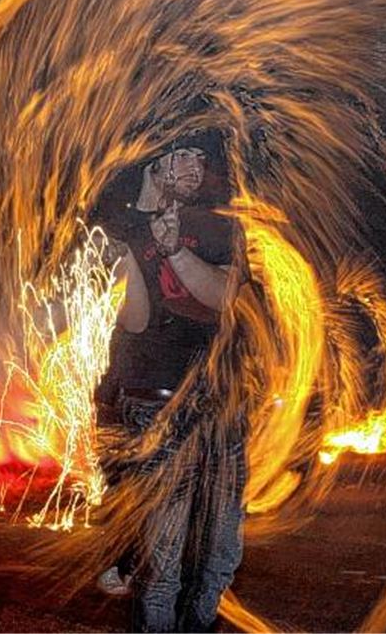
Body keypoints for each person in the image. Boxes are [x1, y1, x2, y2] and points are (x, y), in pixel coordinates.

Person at [95, 132, 243, 632]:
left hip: (221, 401)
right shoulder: (116, 228)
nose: (194, 168)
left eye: (200, 158)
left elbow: (223, 297)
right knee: (164, 563)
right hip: (155, 404)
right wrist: (133, 257)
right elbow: (134, 320)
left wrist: (176, 250)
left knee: (222, 553)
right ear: (154, 164)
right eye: (181, 156)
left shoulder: (218, 226)